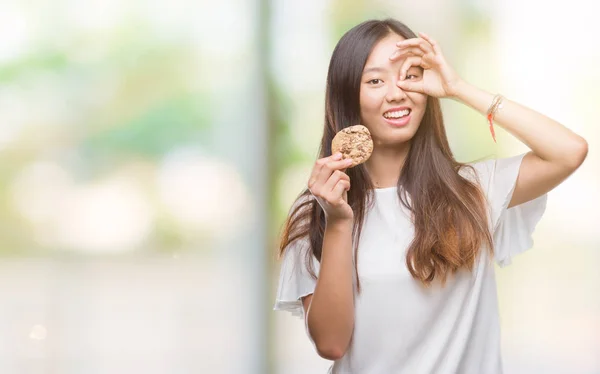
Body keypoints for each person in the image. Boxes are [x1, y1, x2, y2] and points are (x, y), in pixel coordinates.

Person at [273, 18, 588, 374]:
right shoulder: (317, 209)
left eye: (409, 76)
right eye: (375, 80)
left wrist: (458, 89)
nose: (396, 93)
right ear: (348, 95)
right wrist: (338, 225)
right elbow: (331, 344)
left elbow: (569, 151)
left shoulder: (474, 190)